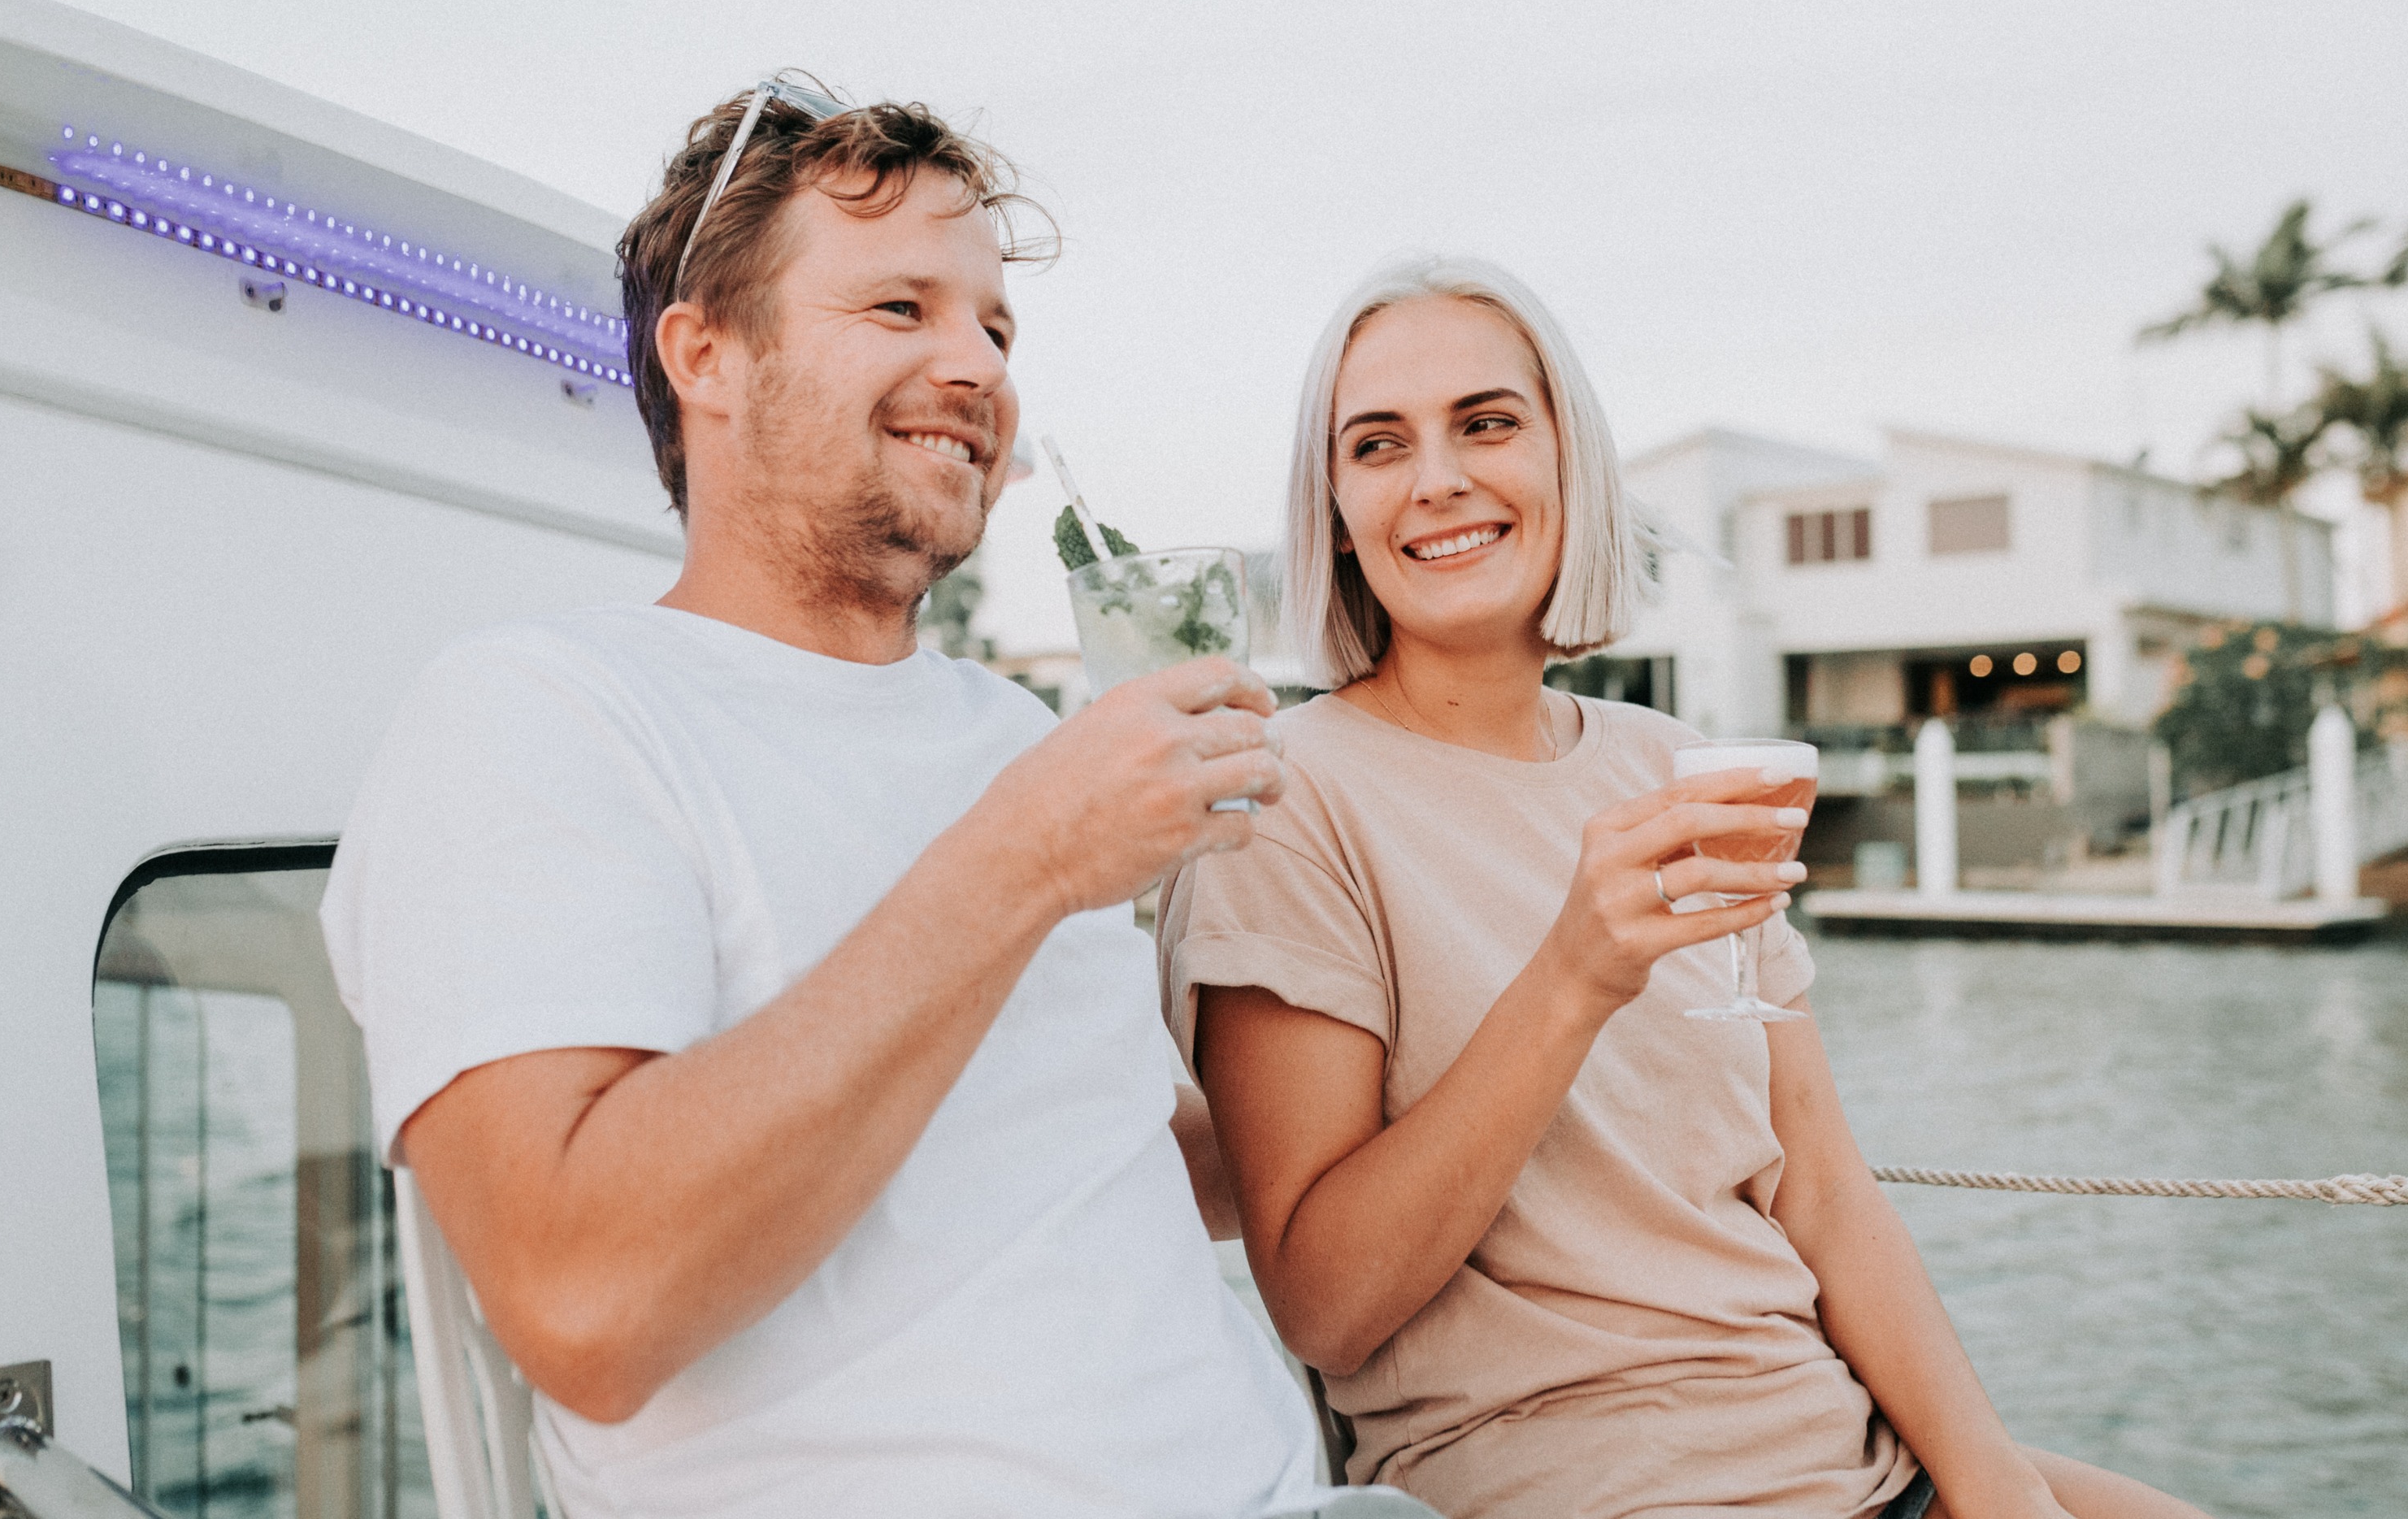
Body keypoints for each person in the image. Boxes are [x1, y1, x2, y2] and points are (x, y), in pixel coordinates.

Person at [320, 78, 1341, 1519]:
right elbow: (586, 1304)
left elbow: (1087, 1151)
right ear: (708, 356)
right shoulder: (542, 713)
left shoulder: (1009, 729)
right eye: (900, 310)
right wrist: (1031, 858)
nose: (978, 367)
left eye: (995, 325)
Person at [1158, 255, 2215, 1519]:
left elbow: (1818, 1187)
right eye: (1378, 446)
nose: (1438, 476)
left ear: (1570, 464)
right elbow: (1325, 1306)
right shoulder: (1287, 797)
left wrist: (1994, 1486)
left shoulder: (1672, 768)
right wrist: (1574, 976)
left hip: (1841, 1452)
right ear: (1334, 511)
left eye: (1487, 424)